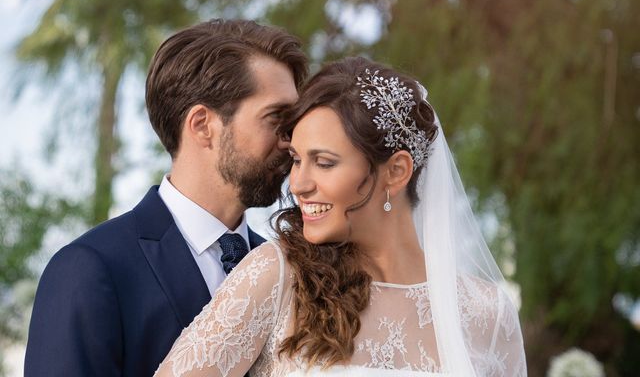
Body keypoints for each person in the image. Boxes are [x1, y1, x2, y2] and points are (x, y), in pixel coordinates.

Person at [153, 56, 527, 377]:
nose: (297, 183)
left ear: (396, 172)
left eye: (324, 162)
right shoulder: (279, 277)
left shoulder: (489, 314)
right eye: (297, 160)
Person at [24, 19, 308, 377]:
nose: (292, 142)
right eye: (277, 120)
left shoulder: (289, 270)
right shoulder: (90, 269)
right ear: (203, 124)